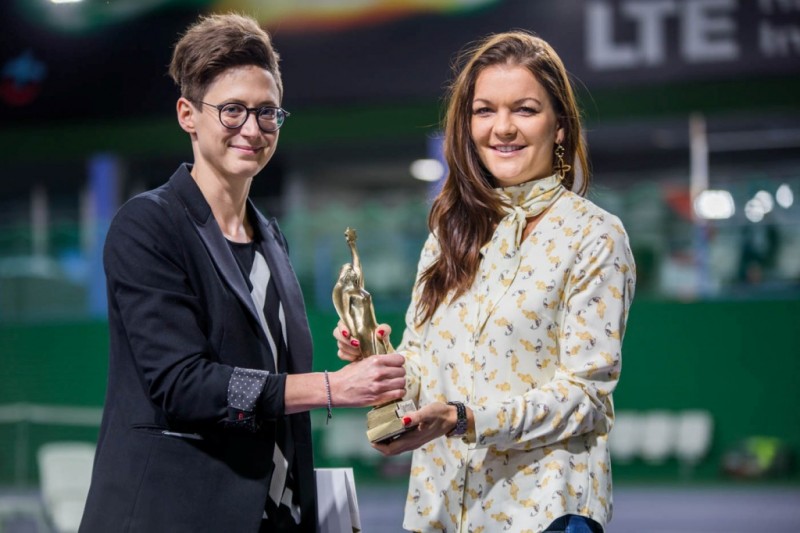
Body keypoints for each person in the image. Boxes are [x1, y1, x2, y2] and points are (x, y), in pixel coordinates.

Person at [80, 13, 406, 533]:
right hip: (169, 516)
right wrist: (330, 387)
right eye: (232, 110)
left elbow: (268, 379)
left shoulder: (269, 236)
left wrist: (355, 355)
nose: (252, 129)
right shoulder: (148, 223)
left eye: (267, 112)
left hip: (272, 516)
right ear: (188, 114)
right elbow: (184, 385)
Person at [336, 31, 635, 532]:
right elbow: (423, 366)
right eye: (484, 111)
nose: (502, 128)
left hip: (544, 513)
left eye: (524, 110)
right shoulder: (448, 233)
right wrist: (382, 366)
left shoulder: (595, 235)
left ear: (559, 126)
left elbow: (585, 397)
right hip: (439, 510)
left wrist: (465, 419)